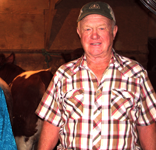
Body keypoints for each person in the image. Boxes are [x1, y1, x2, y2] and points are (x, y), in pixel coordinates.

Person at [36, 1, 156, 150]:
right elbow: (51, 125)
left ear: (114, 31)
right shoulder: (63, 75)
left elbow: (146, 125)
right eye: (87, 28)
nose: (94, 35)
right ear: (79, 32)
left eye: (101, 28)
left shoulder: (136, 73)